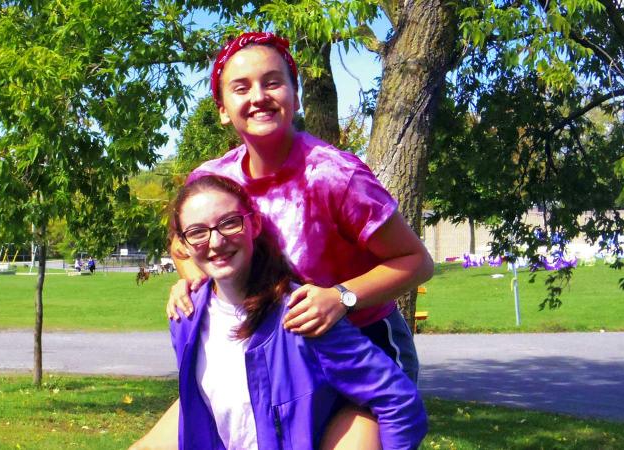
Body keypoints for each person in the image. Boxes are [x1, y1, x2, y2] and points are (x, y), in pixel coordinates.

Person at [141, 31, 434, 448]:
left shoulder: (336, 176)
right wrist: (191, 279)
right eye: (241, 88)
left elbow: (416, 261)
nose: (258, 96)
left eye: (272, 82)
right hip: (279, 358)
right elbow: (182, 241)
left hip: (362, 356)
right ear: (223, 109)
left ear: (295, 96)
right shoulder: (212, 180)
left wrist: (340, 297)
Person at [146, 175, 427, 449]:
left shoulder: (301, 314)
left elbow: (399, 402)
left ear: (253, 224)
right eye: (197, 232)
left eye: (229, 223)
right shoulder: (186, 317)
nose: (216, 241)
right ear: (182, 244)